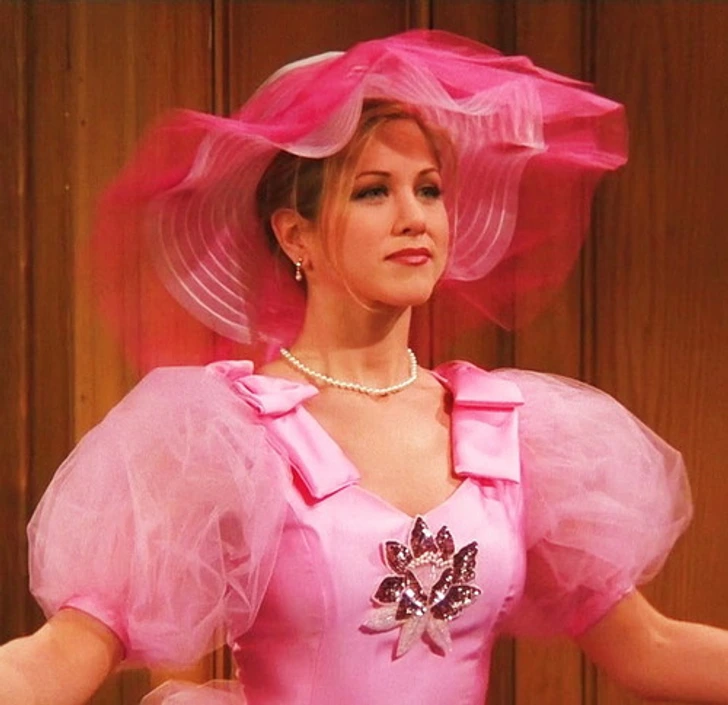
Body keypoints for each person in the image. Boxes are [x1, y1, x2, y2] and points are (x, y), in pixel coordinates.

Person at [1, 29, 727, 705]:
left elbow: (649, 646)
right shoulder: (230, 438)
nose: (415, 216)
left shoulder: (508, 433)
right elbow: (64, 652)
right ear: (296, 235)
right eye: (373, 190)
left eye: (429, 189)